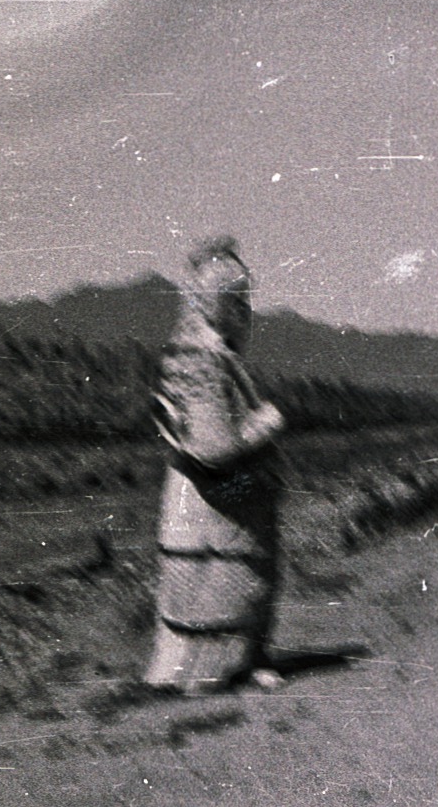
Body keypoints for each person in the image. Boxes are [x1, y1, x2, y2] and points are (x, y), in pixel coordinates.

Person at [145, 237, 286, 693]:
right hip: (214, 506)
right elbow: (213, 447)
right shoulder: (200, 360)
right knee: (221, 583)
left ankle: (241, 659)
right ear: (215, 302)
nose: (247, 313)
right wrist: (266, 424)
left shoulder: (202, 354)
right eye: (238, 302)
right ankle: (216, 669)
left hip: (213, 506)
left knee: (237, 580)